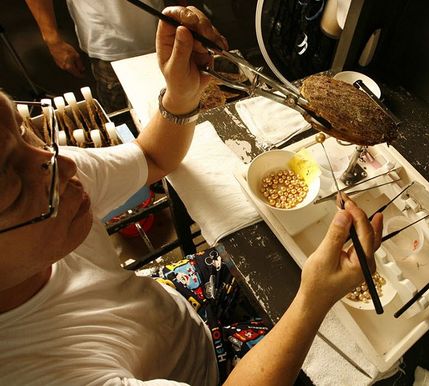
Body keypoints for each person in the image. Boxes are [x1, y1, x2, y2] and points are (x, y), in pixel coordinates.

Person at [0, 6, 383, 385]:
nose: (65, 166)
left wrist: (181, 94)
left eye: (22, 129)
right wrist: (313, 300)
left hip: (172, 301)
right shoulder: (40, 371)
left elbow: (151, 157)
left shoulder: (50, 171)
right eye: (15, 189)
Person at [25, 0, 187, 113]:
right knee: (122, 118)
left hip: (160, 29)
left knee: (172, 108)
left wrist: (185, 10)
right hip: (107, 41)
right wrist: (52, 39)